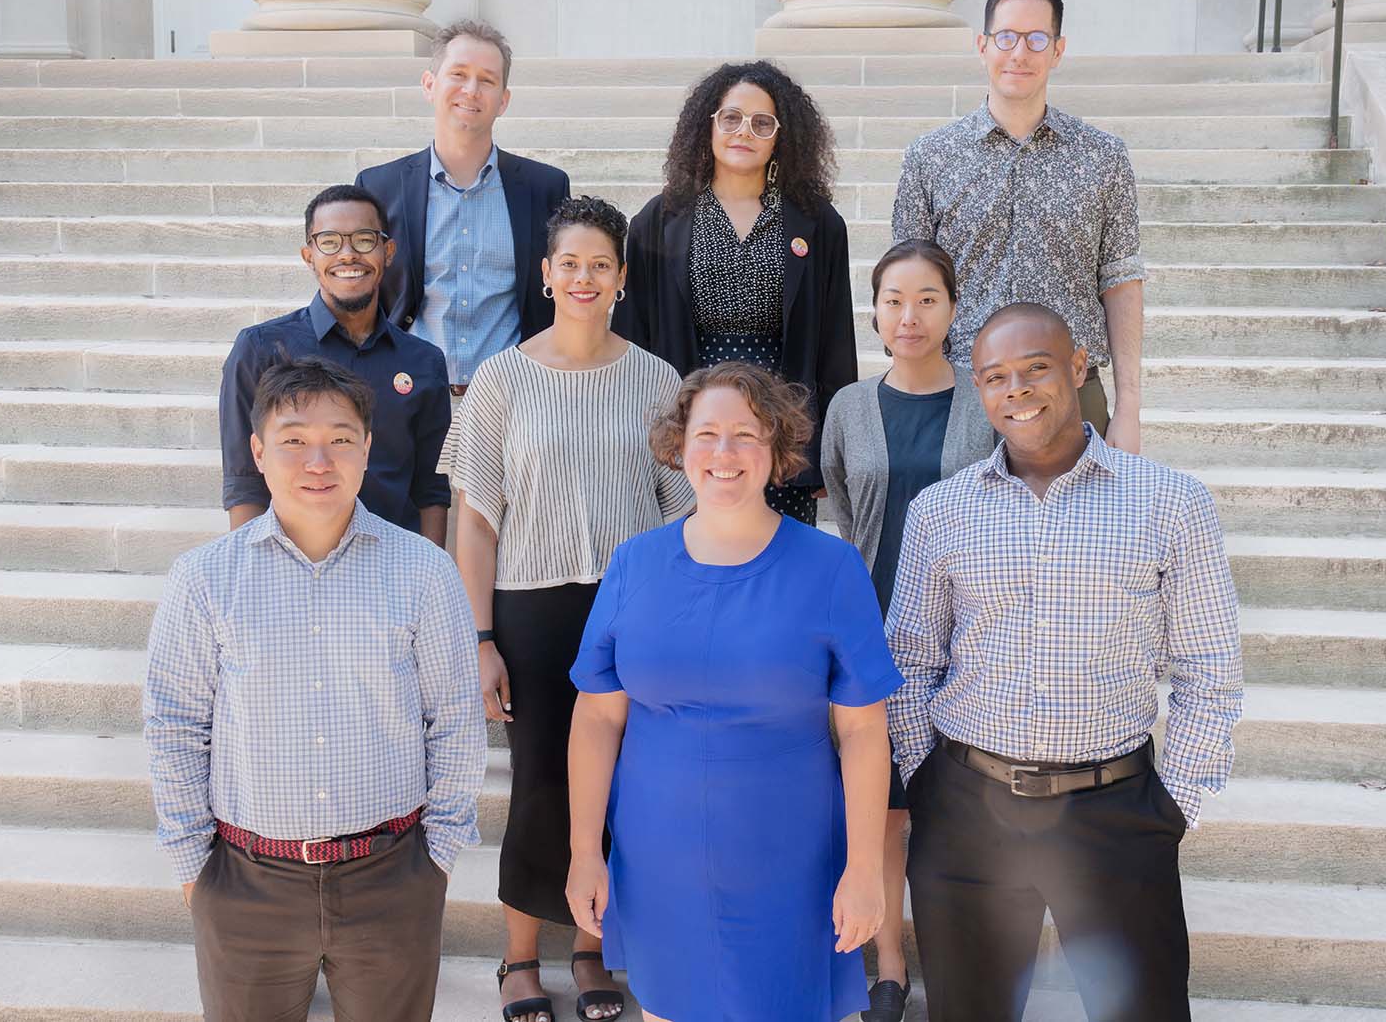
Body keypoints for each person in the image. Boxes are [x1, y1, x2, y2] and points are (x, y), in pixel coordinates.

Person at [885, 303, 1243, 1022]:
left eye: (1035, 368)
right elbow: (911, 658)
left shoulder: (1172, 503)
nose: (1015, 390)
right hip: (968, 811)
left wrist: (1174, 805)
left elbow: (1210, 668)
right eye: (994, 377)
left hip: (1114, 810)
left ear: (1079, 367)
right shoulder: (940, 511)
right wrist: (927, 779)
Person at [146, 356, 485, 1022]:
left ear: (368, 448)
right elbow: (174, 726)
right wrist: (195, 869)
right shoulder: (205, 579)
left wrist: (435, 858)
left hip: (391, 875)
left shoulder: (423, 571)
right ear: (258, 452)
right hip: (247, 883)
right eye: (294, 440)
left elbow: (454, 721)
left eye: (340, 438)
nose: (318, 460)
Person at [566, 362, 904, 1022]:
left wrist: (864, 868)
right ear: (678, 446)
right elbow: (598, 717)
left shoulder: (830, 567)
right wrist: (584, 850)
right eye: (707, 433)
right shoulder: (633, 563)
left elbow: (865, 731)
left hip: (791, 858)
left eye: (746, 435)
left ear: (776, 452)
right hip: (659, 855)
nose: (724, 453)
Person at [452, 197, 692, 1022]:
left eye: (601, 264)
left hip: (631, 610)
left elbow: (681, 512)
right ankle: (520, 958)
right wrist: (479, 635)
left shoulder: (658, 380)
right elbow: (477, 519)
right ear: (546, 273)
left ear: (621, 278)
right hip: (531, 607)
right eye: (570, 263)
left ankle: (591, 949)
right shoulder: (502, 377)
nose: (584, 277)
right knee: (542, 783)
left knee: (621, 783)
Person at [819, 239, 996, 1022]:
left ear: (953, 309)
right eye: (894, 299)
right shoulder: (850, 407)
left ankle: (962, 956)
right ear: (875, 311)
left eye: (927, 298)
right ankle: (889, 965)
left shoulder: (985, 401)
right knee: (884, 808)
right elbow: (839, 515)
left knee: (956, 806)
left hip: (973, 632)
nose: (909, 315)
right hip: (874, 635)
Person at [892, 0, 1147, 453]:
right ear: (983, 46)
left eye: (1036, 38)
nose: (1019, 53)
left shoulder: (1103, 157)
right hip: (961, 390)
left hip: (1073, 390)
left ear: (1058, 49)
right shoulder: (930, 157)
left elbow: (1121, 280)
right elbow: (907, 288)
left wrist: (1128, 406)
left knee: (1081, 528)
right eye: (1006, 37)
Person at [614, 60, 857, 525]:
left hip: (781, 430)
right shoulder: (658, 221)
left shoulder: (818, 223)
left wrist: (827, 447)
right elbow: (634, 337)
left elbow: (834, 343)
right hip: (693, 425)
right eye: (731, 117)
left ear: (781, 136)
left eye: (762, 122)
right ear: (707, 124)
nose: (744, 131)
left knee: (778, 566)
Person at [355, 19, 571, 480]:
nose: (471, 89)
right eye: (458, 74)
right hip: (410, 396)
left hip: (515, 401)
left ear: (504, 100)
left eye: (487, 80)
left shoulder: (546, 188)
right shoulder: (379, 187)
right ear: (430, 84)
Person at [218, 185, 452, 544]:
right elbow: (244, 481)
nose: (347, 255)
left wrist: (431, 569)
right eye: (329, 242)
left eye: (363, 240)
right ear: (308, 255)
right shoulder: (261, 349)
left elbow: (431, 488)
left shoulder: (423, 361)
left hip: (392, 565)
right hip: (291, 561)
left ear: (387, 252)